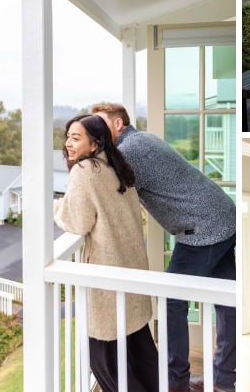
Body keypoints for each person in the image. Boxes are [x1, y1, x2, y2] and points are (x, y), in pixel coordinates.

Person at [91, 103, 236, 392]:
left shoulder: (129, 151)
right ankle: (224, 381)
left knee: (172, 303)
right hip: (221, 216)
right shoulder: (141, 139)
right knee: (228, 301)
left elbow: (105, 189)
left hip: (204, 228)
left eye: (100, 123)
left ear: (118, 124)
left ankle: (176, 382)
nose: (95, 131)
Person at [53, 114, 158, 392]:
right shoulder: (116, 166)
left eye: (76, 138)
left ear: (95, 143)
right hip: (131, 270)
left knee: (105, 362)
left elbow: (78, 221)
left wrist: (55, 208)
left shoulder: (84, 171)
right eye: (68, 137)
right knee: (140, 355)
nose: (68, 144)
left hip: (107, 278)